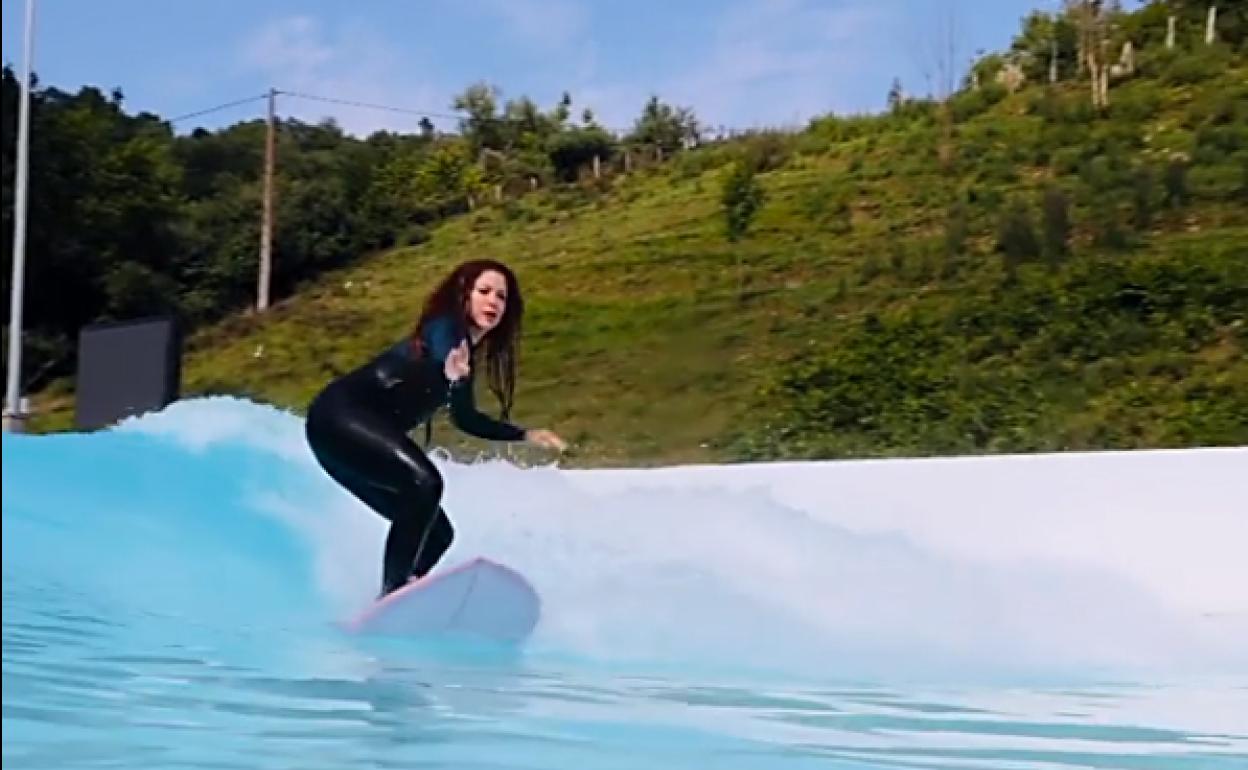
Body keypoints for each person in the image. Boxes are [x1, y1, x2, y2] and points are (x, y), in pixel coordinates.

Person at [304, 259, 567, 598]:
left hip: (339, 445)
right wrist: (451, 366)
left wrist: (525, 435)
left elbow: (467, 420)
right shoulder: (444, 328)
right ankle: (393, 590)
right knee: (426, 484)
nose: (493, 302)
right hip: (339, 416)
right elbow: (445, 344)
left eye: (501, 297)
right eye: (484, 291)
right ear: (463, 296)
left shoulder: (463, 360)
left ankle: (399, 599)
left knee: (439, 534)